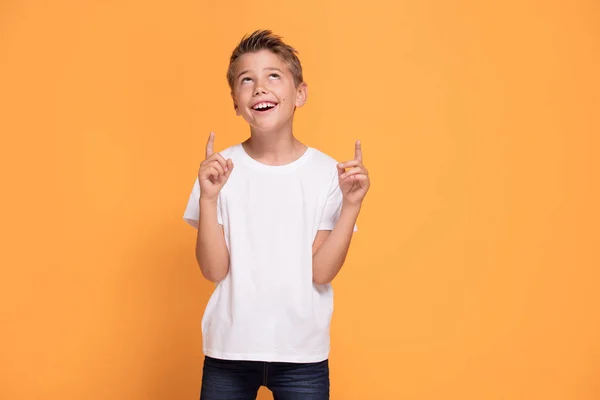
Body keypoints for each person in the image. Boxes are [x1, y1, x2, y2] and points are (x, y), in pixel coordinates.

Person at [183, 29, 370, 400]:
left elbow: (321, 272)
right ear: (235, 102)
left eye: (273, 75)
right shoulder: (219, 171)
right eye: (246, 80)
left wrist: (351, 205)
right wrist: (207, 198)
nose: (259, 88)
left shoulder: (326, 174)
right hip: (229, 350)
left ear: (299, 93)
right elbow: (213, 270)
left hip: (302, 354)